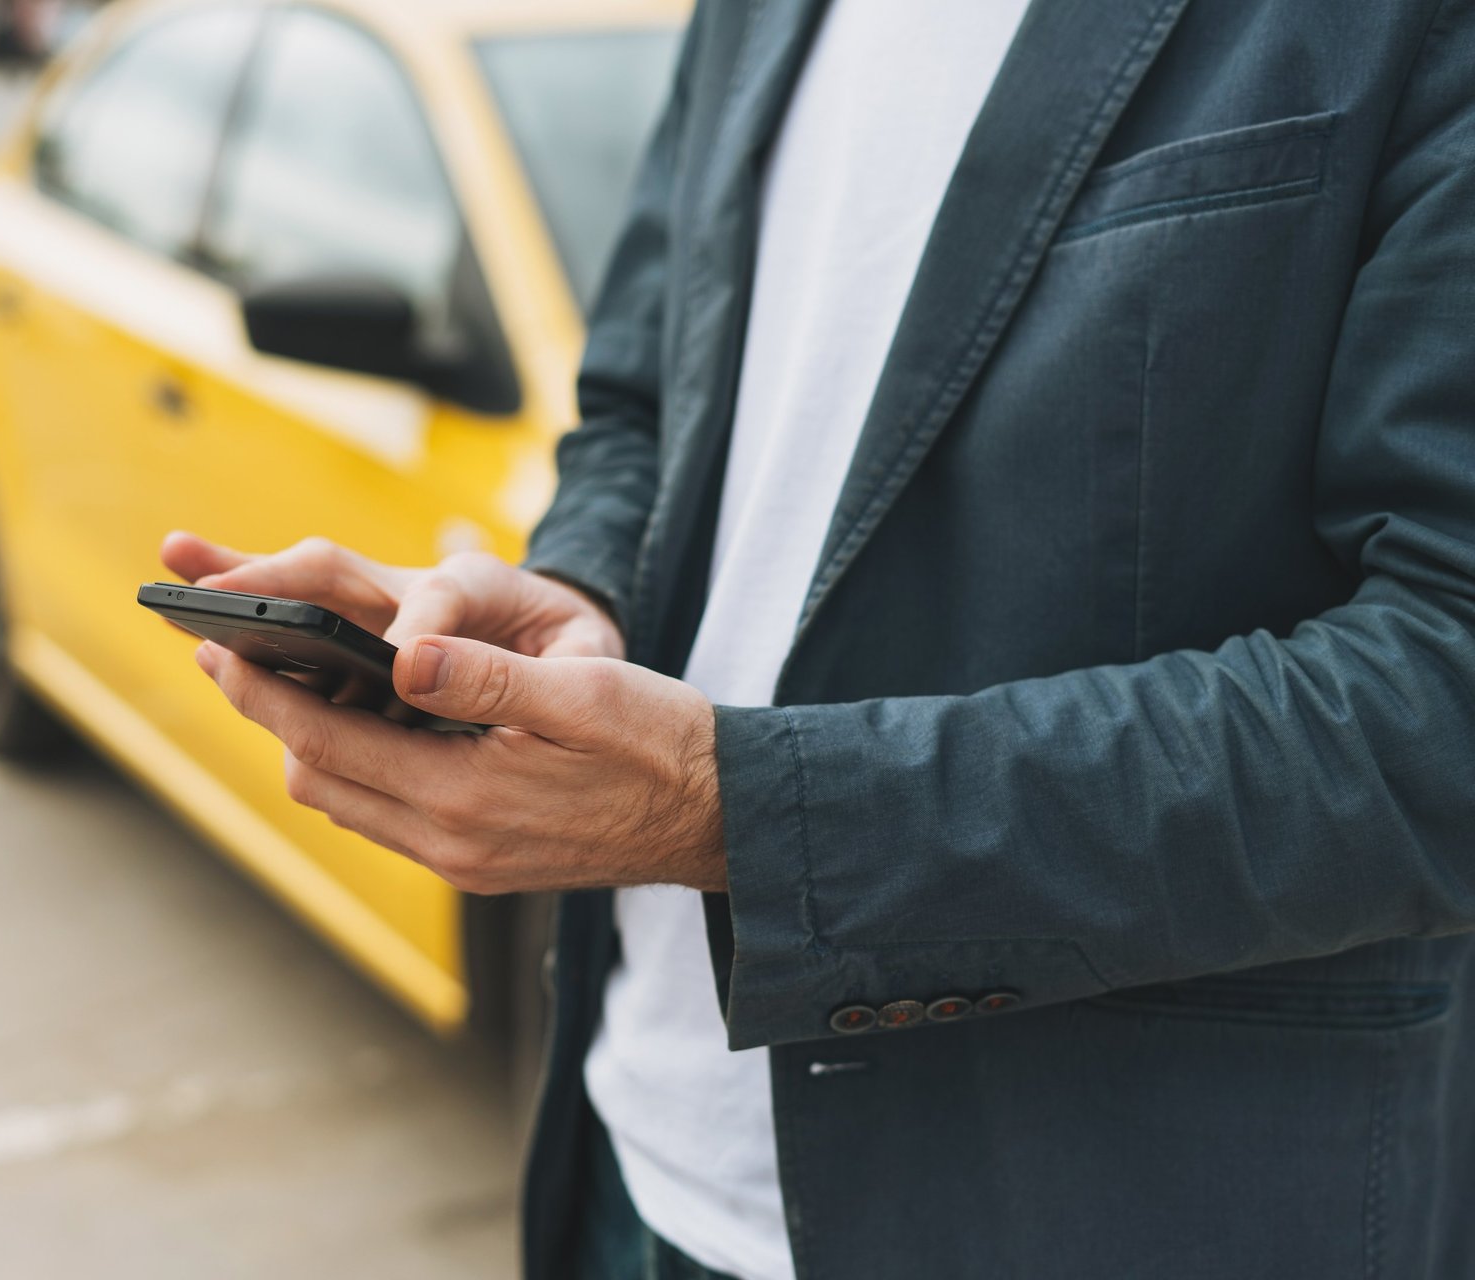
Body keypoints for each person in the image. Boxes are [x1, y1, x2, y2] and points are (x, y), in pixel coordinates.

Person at [160, 0, 1475, 1275]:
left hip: (1111, 1205)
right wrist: (585, 594)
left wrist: (750, 819)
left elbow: (1446, 697)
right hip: (637, 1158)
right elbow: (638, 397)